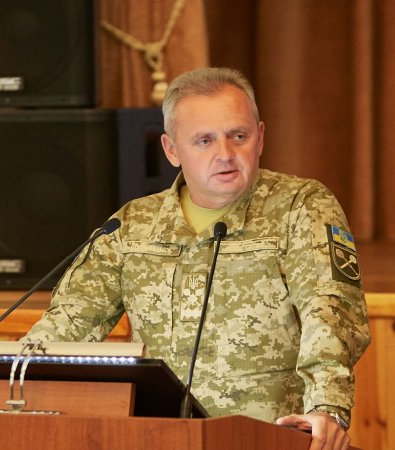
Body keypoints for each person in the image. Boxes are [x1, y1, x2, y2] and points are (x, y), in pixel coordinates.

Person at [24, 67, 371, 450]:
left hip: (270, 438)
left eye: (238, 136)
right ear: (172, 150)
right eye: (204, 141)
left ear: (260, 138)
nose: (225, 154)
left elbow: (331, 311)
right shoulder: (132, 225)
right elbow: (69, 323)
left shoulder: (300, 206)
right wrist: (5, 383)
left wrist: (327, 409)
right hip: (160, 440)